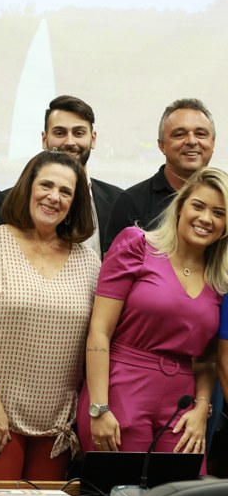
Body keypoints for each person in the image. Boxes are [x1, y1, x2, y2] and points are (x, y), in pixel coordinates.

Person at [0, 150, 100, 480]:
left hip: (56, 422)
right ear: (27, 187)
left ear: (75, 203)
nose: (54, 197)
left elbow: (98, 340)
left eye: (66, 191)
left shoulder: (89, 263)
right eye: (46, 185)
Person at [79, 167, 228, 462]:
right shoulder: (137, 245)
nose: (205, 219)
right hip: (120, 390)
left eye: (218, 213)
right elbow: (99, 332)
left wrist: (201, 409)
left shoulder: (219, 280)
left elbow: (206, 360)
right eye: (198, 206)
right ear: (180, 206)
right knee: (122, 485)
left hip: (181, 408)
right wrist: (99, 407)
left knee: (185, 485)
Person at [0, 95, 121, 257]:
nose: (70, 142)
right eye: (60, 133)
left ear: (93, 139)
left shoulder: (118, 200)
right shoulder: (10, 201)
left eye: (79, 133)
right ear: (44, 139)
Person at [103, 99, 215, 253]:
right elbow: (114, 265)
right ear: (161, 145)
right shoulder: (130, 202)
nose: (191, 141)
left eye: (200, 134)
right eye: (180, 134)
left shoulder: (225, 199)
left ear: (213, 143)